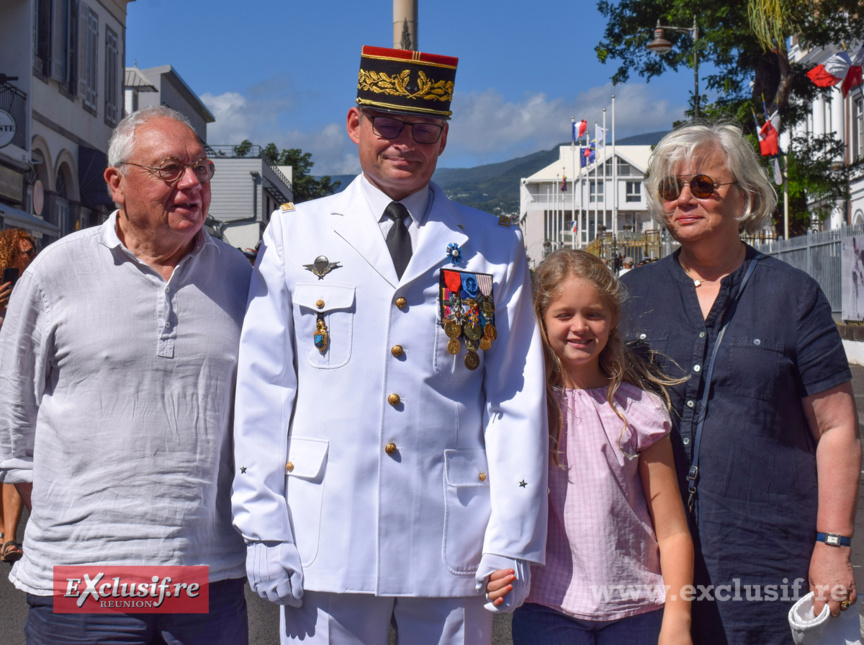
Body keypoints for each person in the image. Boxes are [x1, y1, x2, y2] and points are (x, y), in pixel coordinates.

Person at [231, 46, 548, 644]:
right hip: (328, 534)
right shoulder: (297, 233)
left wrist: (514, 538)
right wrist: (264, 527)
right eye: (389, 124)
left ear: (444, 138)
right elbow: (264, 389)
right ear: (356, 125)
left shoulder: (491, 246)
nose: (406, 141)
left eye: (423, 127)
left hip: (455, 537)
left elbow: (514, 396)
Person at [0, 106, 252, 643]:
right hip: (83, 578)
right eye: (169, 169)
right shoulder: (56, 271)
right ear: (116, 182)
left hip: (204, 572)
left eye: (201, 169)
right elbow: (13, 413)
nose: (191, 184)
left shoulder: (239, 277)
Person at [620, 121, 859, 644]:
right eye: (669, 188)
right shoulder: (630, 295)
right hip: (647, 553)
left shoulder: (793, 295)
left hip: (765, 556)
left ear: (744, 196)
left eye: (703, 185)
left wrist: (834, 546)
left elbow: (837, 429)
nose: (683, 198)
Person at [488, 249, 693, 644]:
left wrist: (678, 619)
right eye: (564, 314)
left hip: (636, 609)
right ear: (540, 319)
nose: (580, 326)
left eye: (593, 314)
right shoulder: (520, 410)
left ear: (613, 318)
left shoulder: (640, 410)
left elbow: (671, 530)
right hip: (546, 607)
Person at [0, 228, 37, 565]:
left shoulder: (37, 284)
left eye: (31, 251)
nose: (28, 256)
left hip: (16, 378)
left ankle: (10, 537)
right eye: (22, 251)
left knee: (13, 453)